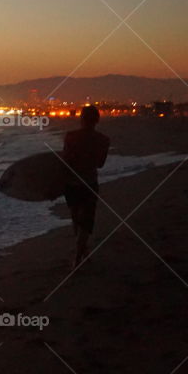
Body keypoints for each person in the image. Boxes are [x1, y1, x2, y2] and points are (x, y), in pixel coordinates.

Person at [63, 105, 110, 267]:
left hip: (72, 183)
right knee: (87, 220)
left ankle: (79, 255)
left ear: (81, 118)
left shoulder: (70, 136)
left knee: (76, 219)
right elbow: (100, 164)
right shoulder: (104, 140)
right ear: (97, 120)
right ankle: (81, 253)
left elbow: (66, 161)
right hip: (90, 182)